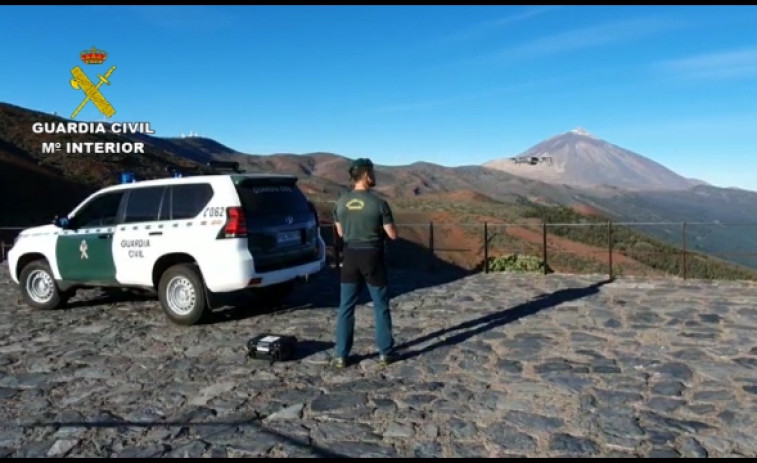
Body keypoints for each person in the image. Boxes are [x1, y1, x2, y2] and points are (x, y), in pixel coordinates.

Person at [332, 158, 398, 368]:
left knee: (346, 306)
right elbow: (392, 234)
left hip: (350, 255)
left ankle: (341, 355)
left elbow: (341, 232)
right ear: (366, 175)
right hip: (372, 257)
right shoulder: (379, 203)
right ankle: (385, 352)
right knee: (380, 305)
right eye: (372, 173)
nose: (374, 176)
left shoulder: (340, 202)